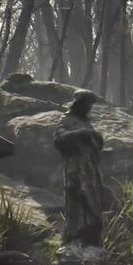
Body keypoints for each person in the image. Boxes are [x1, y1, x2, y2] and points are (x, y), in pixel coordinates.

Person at [55, 89, 105, 247]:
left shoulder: (86, 122)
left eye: (90, 106)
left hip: (90, 171)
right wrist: (80, 133)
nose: (89, 108)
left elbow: (95, 148)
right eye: (87, 105)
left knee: (94, 204)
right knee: (78, 202)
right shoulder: (67, 120)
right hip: (76, 170)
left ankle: (93, 239)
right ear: (78, 104)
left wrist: (97, 140)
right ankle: (76, 239)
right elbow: (59, 139)